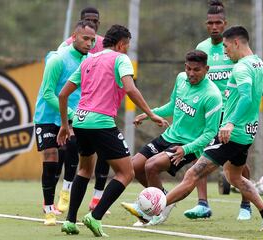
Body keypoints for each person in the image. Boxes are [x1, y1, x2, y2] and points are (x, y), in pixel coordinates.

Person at [159, 26, 263, 232]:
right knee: (234, 177)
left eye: (225, 46)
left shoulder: (241, 67)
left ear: (236, 43)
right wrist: (249, 106)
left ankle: (152, 209)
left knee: (193, 174)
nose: (224, 51)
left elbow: (246, 97)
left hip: (232, 133)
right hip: (248, 133)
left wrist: (231, 122)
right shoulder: (258, 63)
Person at [57, 24, 168, 237]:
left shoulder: (88, 60)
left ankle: (70, 221)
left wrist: (65, 125)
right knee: (127, 173)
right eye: (127, 46)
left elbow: (62, 95)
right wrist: (151, 114)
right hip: (100, 122)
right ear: (120, 44)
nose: (127, 50)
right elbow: (130, 88)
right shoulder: (120, 59)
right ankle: (95, 216)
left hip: (80, 122)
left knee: (84, 170)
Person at [121, 50, 223, 226]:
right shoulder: (181, 79)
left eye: (197, 70)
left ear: (206, 69)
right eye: (189, 68)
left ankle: (154, 211)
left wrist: (186, 149)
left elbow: (210, 134)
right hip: (169, 136)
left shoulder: (212, 96)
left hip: (188, 145)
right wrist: (149, 114)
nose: (191, 73)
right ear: (185, 66)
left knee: (151, 166)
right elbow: (172, 105)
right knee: (134, 166)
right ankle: (165, 201)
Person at [184, 0, 252, 221]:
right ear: (206, 24)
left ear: (225, 24)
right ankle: (202, 204)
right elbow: (196, 77)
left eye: (218, 23)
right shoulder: (202, 48)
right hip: (209, 112)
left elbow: (248, 79)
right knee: (200, 156)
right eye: (211, 23)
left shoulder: (234, 48)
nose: (214, 26)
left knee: (237, 164)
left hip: (231, 114)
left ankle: (246, 204)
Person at [33, 20, 96, 226]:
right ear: (74, 36)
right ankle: (49, 208)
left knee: (73, 152)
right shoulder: (58, 59)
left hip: (75, 117)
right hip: (48, 116)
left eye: (92, 40)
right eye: (85, 38)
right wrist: (68, 114)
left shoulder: (90, 61)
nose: (89, 43)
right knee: (51, 158)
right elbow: (48, 93)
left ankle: (66, 192)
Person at [54, 6, 111, 215]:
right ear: (80, 24)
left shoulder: (104, 44)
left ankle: (97, 198)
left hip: (101, 106)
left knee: (106, 150)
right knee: (73, 146)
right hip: (77, 107)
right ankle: (66, 191)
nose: (93, 23)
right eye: (88, 19)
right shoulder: (67, 47)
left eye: (95, 20)